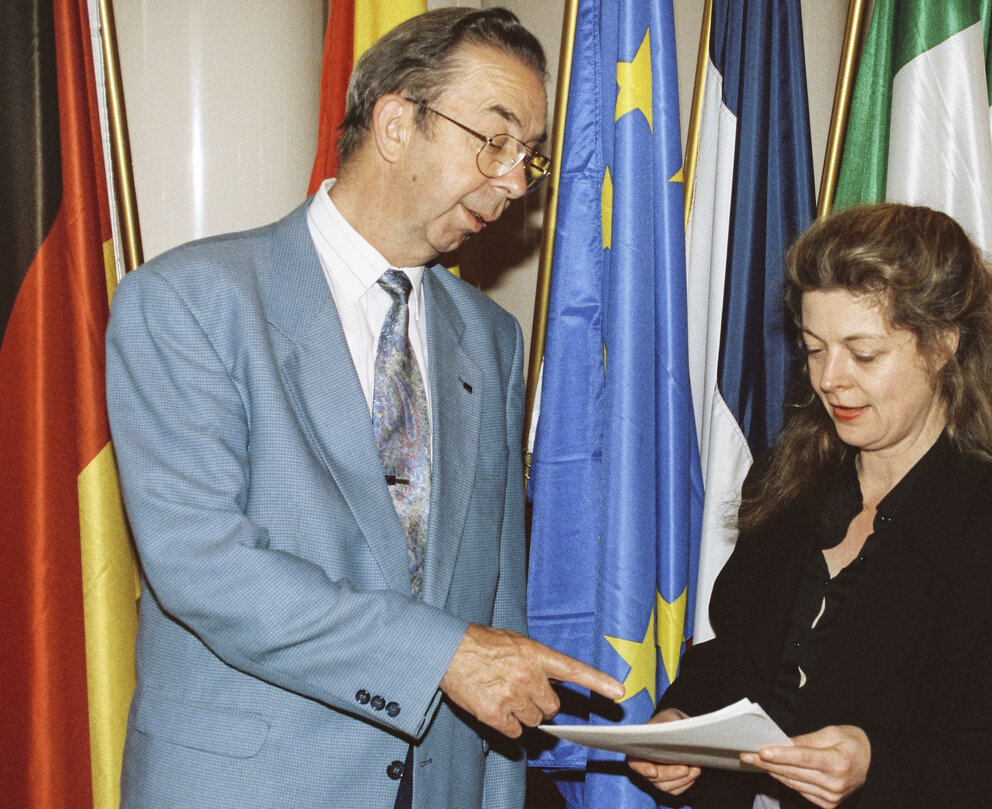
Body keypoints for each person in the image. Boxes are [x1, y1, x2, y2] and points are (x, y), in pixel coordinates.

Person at [106, 9, 622, 809]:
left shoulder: (492, 338)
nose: (517, 182)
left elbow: (494, 601)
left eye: (530, 157)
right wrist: (441, 656)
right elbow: (203, 563)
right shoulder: (191, 302)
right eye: (494, 140)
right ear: (394, 123)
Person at [628, 203, 992, 808]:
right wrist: (679, 721)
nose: (831, 379)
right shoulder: (786, 480)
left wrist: (875, 764)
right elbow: (738, 654)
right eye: (815, 349)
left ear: (943, 345)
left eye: (863, 354)